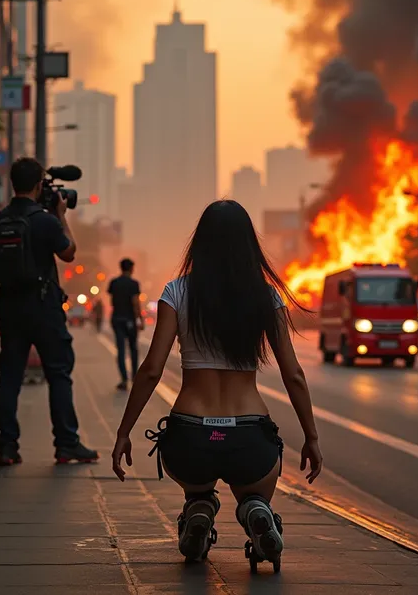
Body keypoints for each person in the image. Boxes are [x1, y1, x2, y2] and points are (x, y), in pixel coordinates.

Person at [112, 201, 322, 569]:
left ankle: (199, 508)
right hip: (249, 438)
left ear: (199, 243)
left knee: (197, 484)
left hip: (190, 437)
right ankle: (255, 511)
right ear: (248, 244)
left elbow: (150, 370)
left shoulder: (176, 292)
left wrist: (123, 432)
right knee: (254, 491)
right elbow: (294, 375)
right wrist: (311, 437)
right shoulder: (267, 296)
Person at [0, 157, 99, 467]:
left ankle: (7, 446)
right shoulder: (46, 221)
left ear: (13, 184)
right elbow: (68, 252)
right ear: (39, 185)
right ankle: (66, 444)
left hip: (9, 307)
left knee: (9, 377)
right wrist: (61, 215)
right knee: (59, 375)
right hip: (43, 307)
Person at [108, 259, 144, 391]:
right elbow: (135, 303)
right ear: (131, 269)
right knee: (133, 348)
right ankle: (134, 377)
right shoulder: (133, 284)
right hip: (129, 320)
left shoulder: (114, 283)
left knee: (121, 350)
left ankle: (123, 379)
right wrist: (140, 319)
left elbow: (112, 302)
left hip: (117, 318)